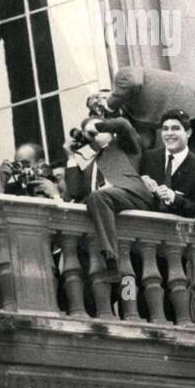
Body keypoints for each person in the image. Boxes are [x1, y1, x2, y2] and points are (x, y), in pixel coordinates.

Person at [99, 66, 195, 217]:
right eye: (93, 106)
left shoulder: (124, 75)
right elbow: (145, 146)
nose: (97, 103)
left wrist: (109, 105)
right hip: (187, 122)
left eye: (98, 97)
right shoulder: (131, 113)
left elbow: (133, 82)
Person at [64, 115, 153, 283]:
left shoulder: (123, 146)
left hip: (131, 196)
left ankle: (111, 257)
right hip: (105, 212)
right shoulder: (86, 158)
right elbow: (75, 191)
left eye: (98, 131)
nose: (94, 135)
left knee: (99, 196)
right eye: (89, 133)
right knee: (126, 285)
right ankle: (112, 264)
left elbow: (123, 125)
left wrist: (100, 126)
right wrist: (71, 157)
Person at [139, 109, 195, 218]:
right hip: (144, 228)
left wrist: (174, 198)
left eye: (175, 128)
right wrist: (140, 181)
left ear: (188, 133)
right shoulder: (148, 158)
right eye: (165, 129)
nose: (169, 133)